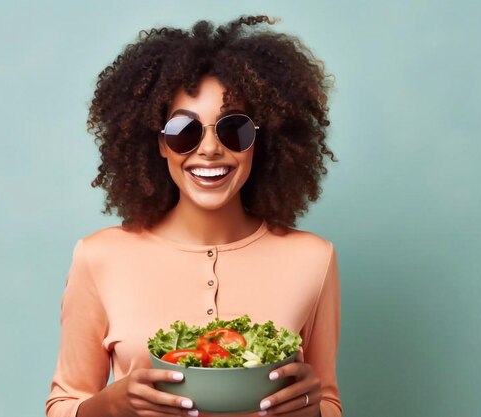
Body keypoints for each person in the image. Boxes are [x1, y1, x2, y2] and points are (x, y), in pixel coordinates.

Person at [46, 15, 341, 417]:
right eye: (184, 130)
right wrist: (112, 405)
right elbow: (63, 403)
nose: (209, 149)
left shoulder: (314, 259)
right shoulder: (98, 258)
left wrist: (314, 408)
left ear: (261, 140)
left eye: (233, 129)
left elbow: (328, 401)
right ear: (160, 144)